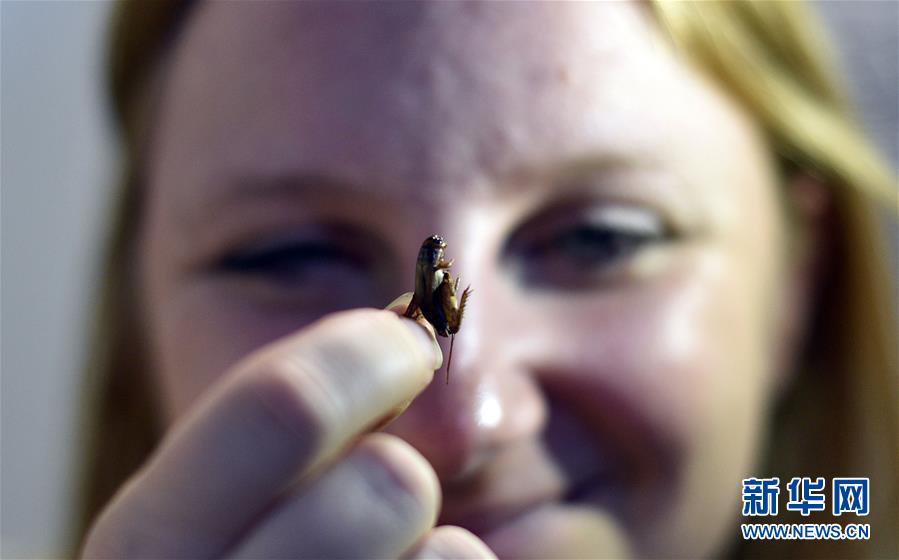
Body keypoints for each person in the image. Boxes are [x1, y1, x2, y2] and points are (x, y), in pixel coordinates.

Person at [74, 1, 897, 558]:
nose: (462, 425)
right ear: (139, 303)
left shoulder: (805, 508)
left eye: (600, 239)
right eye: (291, 255)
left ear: (796, 280)